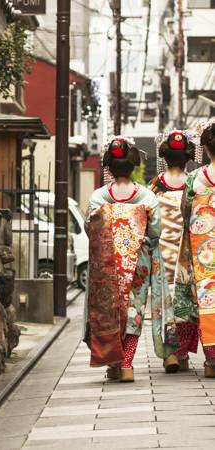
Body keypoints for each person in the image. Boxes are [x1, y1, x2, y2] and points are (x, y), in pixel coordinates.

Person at [85, 136, 178, 382]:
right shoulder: (147, 197)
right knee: (134, 309)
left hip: (108, 262)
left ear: (109, 168)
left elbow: (91, 230)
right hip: (139, 259)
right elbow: (155, 232)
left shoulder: (98, 197)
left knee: (109, 310)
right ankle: (126, 363)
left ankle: (114, 362)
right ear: (134, 165)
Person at [148, 130, 197, 372]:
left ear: (164, 157)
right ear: (188, 156)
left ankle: (170, 353)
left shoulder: (155, 185)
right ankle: (183, 353)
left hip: (162, 250)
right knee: (185, 300)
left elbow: (147, 218)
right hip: (186, 249)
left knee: (164, 300)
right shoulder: (193, 182)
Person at [176, 120, 215, 377]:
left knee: (206, 297)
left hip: (204, 249)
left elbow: (184, 211)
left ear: (206, 149)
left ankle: (212, 360)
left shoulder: (195, 179)